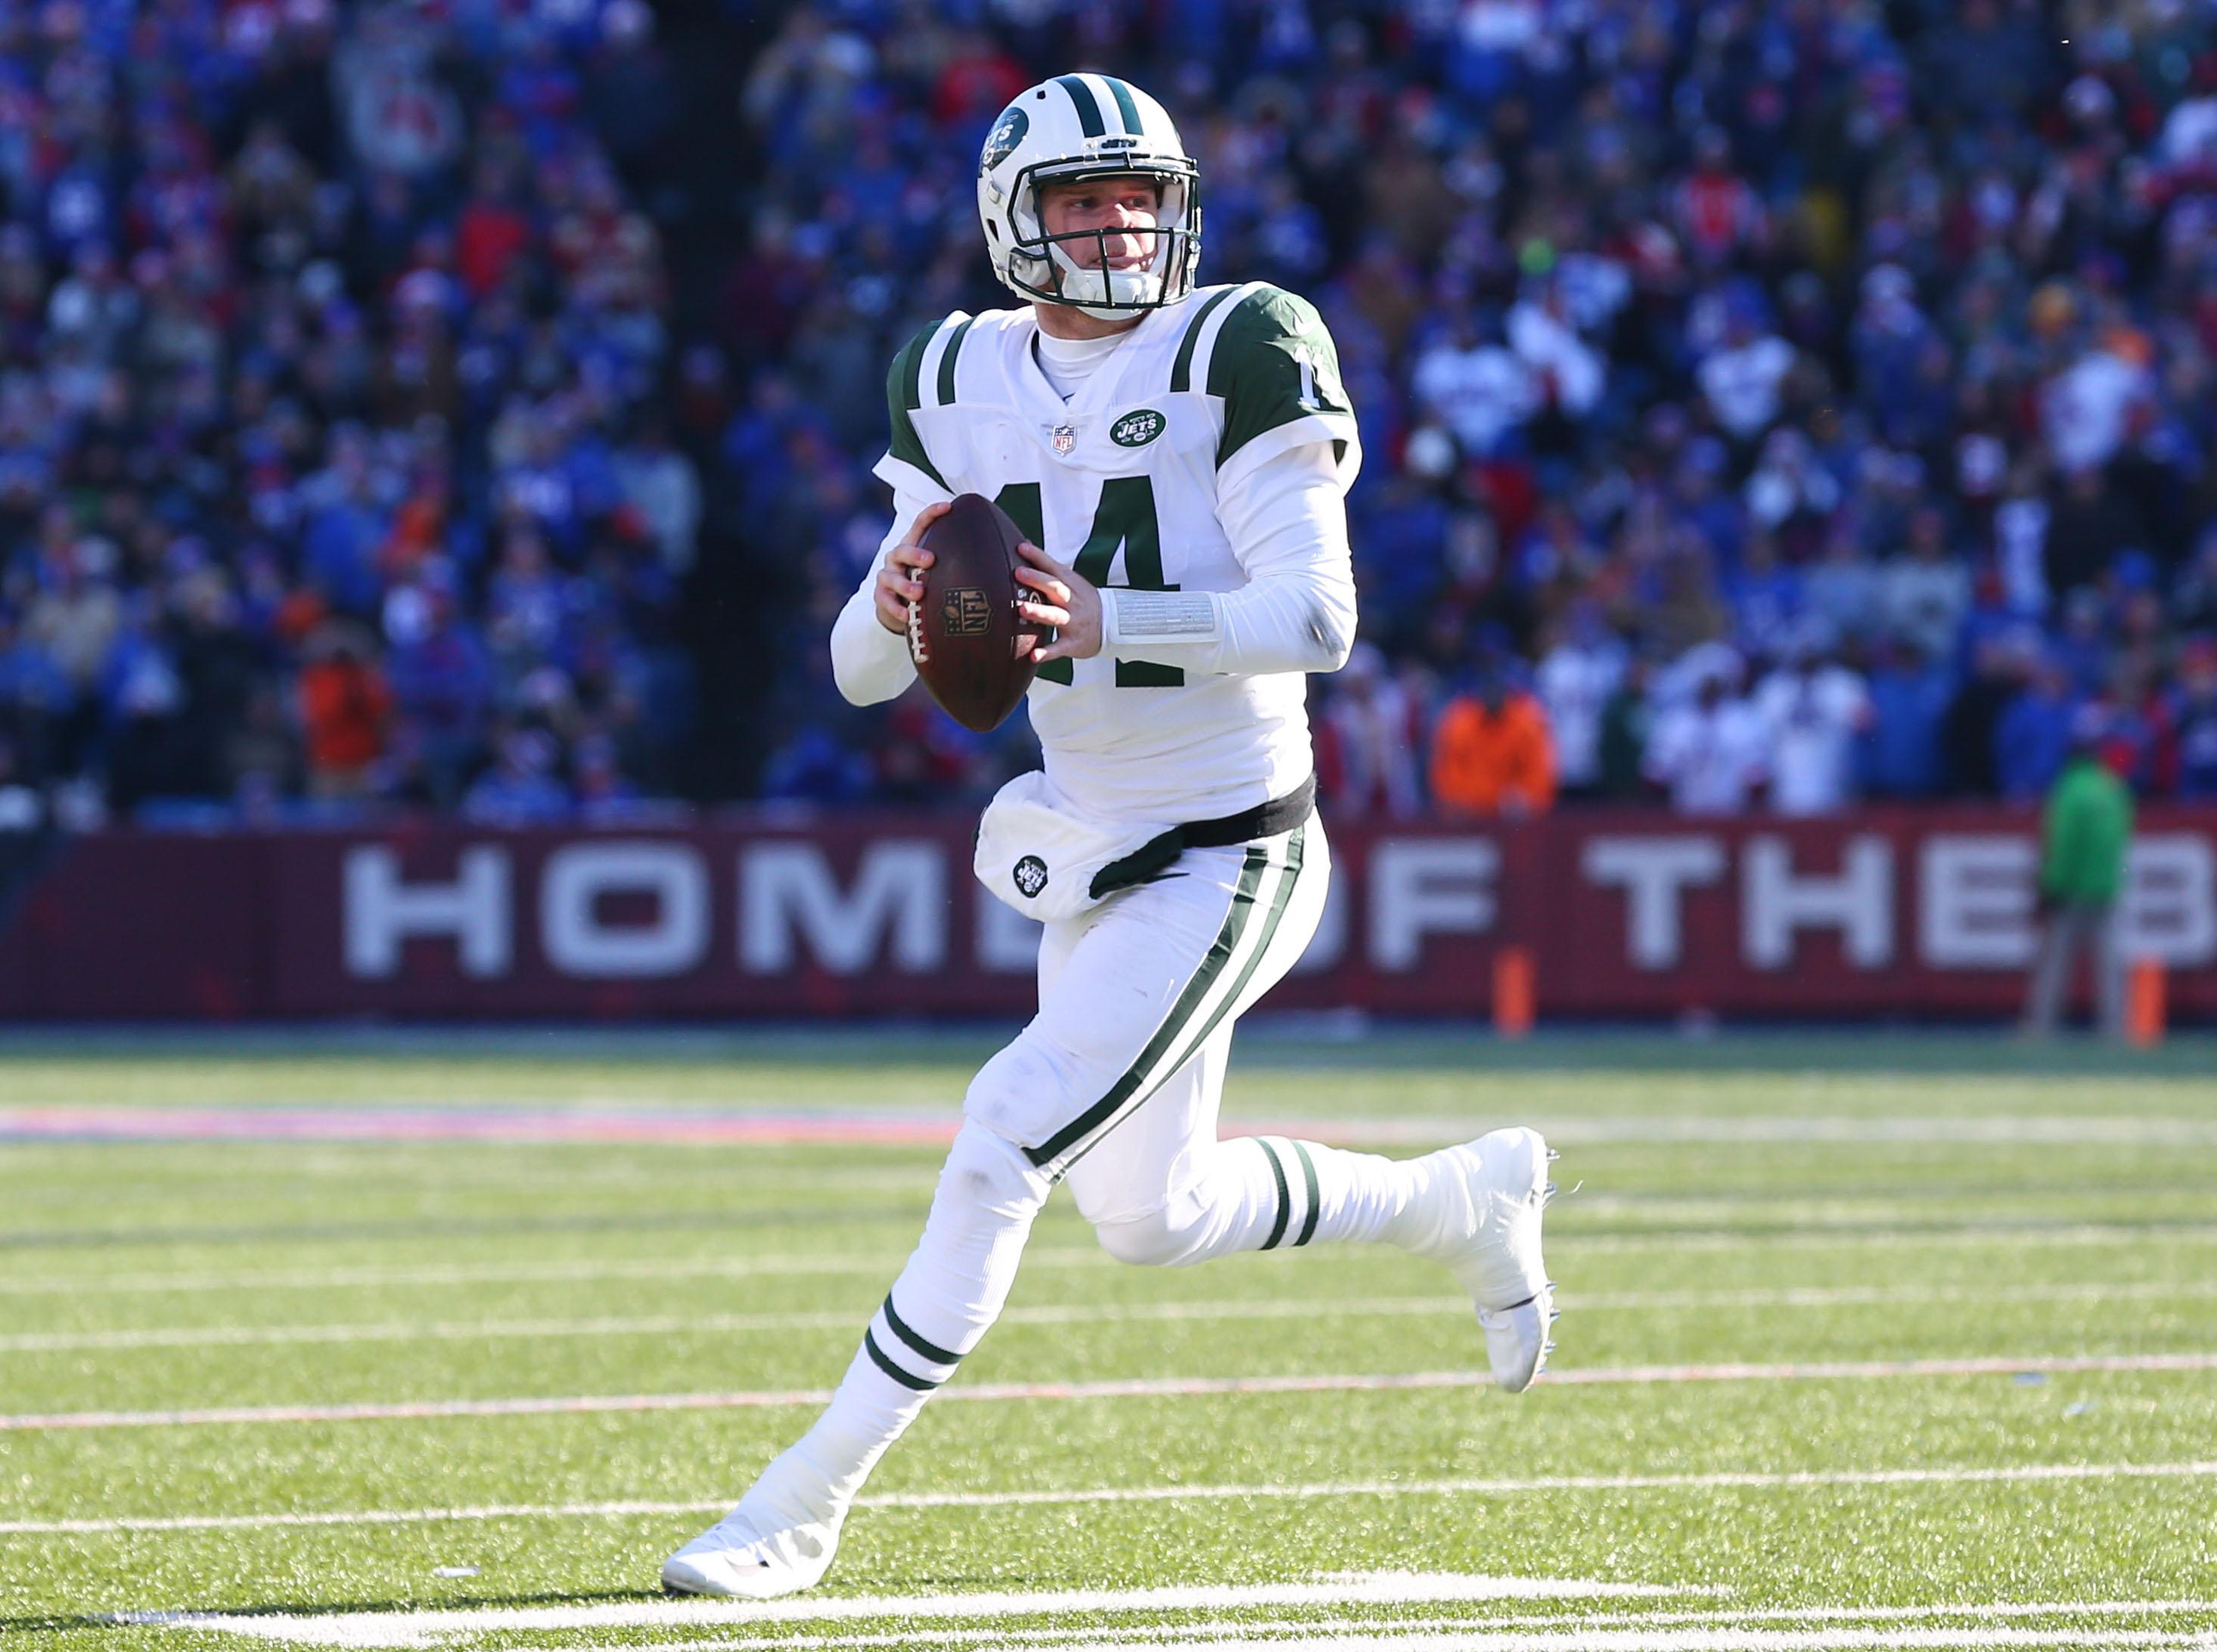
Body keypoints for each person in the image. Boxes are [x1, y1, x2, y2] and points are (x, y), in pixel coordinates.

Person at [661, 73, 1558, 1602]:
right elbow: (862, 671)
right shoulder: (950, 374)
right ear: (1012, 223)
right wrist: (883, 605)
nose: (1118, 222)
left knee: (1002, 1133)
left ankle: (798, 1504)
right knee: (1154, 1215)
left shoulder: (1242, 341)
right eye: (1080, 198)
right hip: (1086, 836)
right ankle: (1459, 1199)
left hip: (1232, 837)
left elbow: (1320, 618)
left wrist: (1099, 619)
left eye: (1138, 192)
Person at [2023, 709, 2135, 1038]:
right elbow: (2120, 841)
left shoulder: (2070, 790)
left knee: (2055, 965)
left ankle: (2041, 1027)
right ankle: (2117, 1029)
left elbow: (2062, 846)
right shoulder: (2114, 789)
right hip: (2106, 888)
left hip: (2072, 892)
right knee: (2110, 967)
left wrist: (2050, 887)